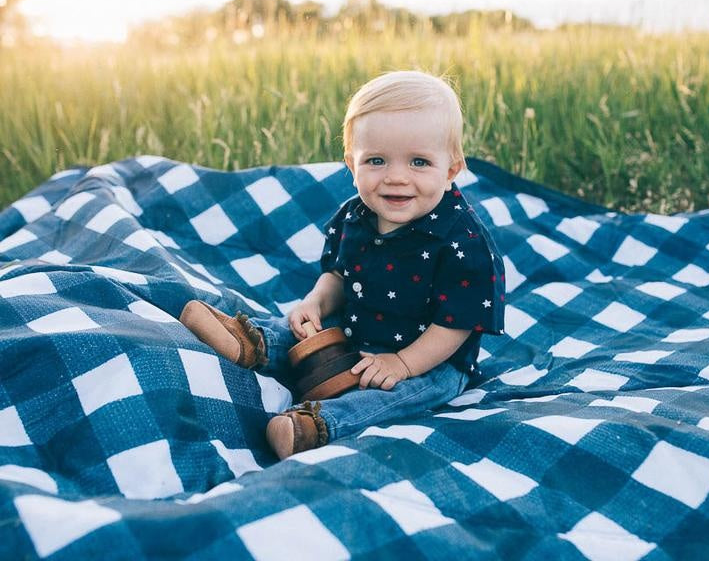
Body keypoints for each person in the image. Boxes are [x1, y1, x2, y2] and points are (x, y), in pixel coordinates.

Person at [180, 70, 505, 460]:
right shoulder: (355, 217)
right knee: (307, 330)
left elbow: (456, 324)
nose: (396, 177)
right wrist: (315, 302)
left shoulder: (462, 241)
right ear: (351, 164)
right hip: (354, 332)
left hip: (431, 360)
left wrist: (401, 363)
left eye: (419, 162)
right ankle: (254, 342)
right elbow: (339, 274)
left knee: (395, 397)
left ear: (451, 169)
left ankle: (318, 424)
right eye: (377, 160)